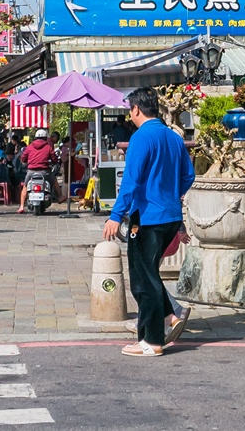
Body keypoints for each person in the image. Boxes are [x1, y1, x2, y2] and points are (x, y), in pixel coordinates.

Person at [102, 87, 195, 357]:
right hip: (170, 215)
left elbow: (131, 181)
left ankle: (152, 340)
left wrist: (115, 215)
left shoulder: (141, 138)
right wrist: (170, 194)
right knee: (149, 274)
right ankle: (161, 324)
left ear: (136, 110)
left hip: (147, 217)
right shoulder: (174, 137)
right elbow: (188, 176)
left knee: (143, 280)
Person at [18, 128, 62, 213]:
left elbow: (23, 158)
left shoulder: (30, 146)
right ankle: (60, 197)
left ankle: (22, 206)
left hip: (31, 172)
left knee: (25, 186)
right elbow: (54, 158)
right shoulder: (48, 147)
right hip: (44, 171)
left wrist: (24, 161)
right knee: (54, 180)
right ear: (45, 138)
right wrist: (55, 161)